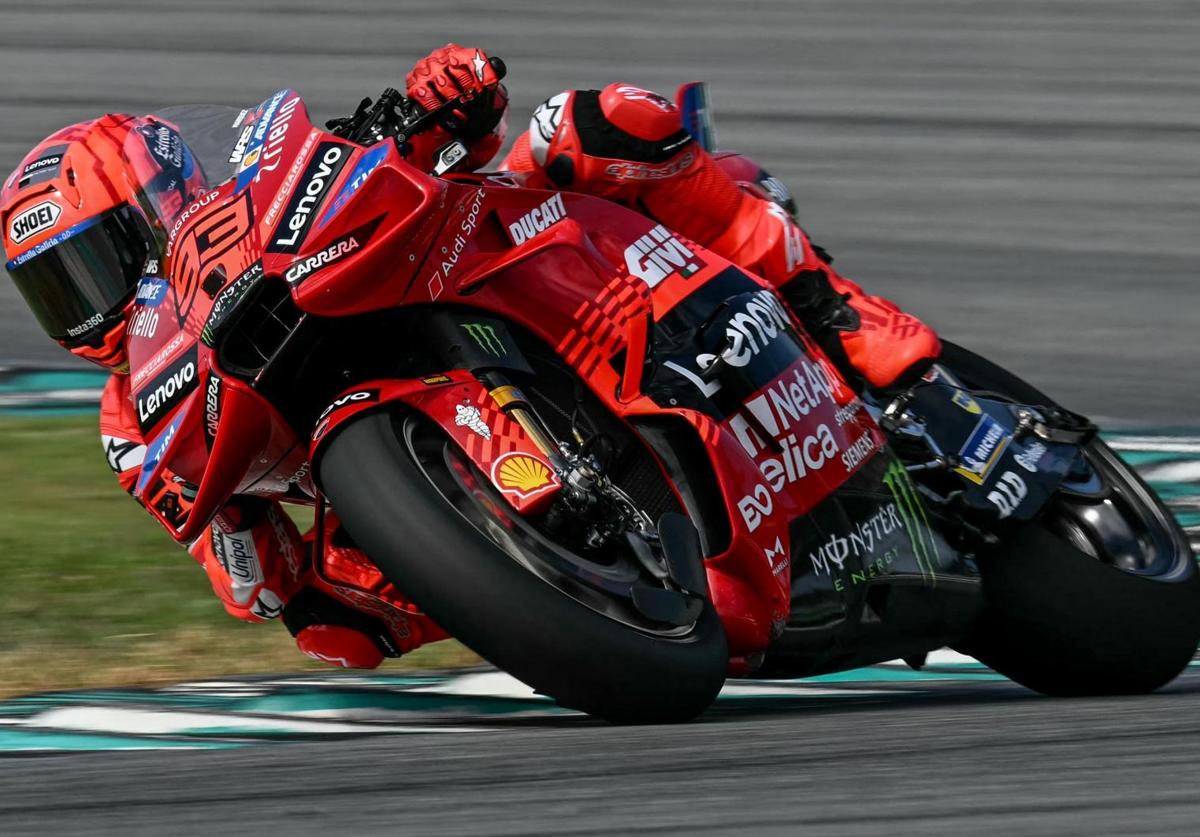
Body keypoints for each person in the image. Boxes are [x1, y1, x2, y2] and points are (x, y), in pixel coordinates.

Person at [0, 45, 939, 670]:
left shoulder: (258, 190)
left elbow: (455, 129)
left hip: (536, 261)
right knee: (339, 635)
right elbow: (256, 580)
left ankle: (841, 318)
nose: (92, 305)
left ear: (159, 192)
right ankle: (567, 579)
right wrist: (248, 557)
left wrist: (443, 99)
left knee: (601, 121)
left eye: (95, 262)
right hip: (419, 505)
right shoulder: (133, 422)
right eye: (58, 290)